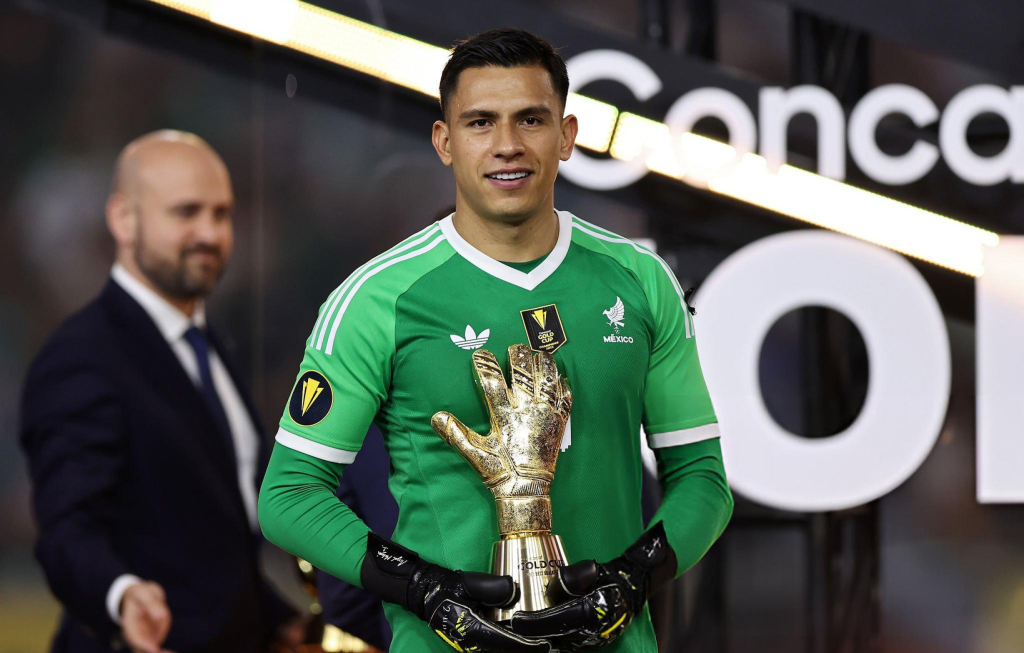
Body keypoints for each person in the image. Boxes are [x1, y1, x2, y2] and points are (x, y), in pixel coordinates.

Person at [259, 28, 733, 653]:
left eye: (530, 119)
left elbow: (702, 478)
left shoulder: (641, 281)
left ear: (567, 135)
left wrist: (633, 578)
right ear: (444, 141)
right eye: (480, 122)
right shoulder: (376, 298)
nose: (507, 144)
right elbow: (289, 495)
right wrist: (423, 588)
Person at [20, 130, 300, 653]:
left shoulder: (206, 344)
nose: (209, 233)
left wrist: (284, 625)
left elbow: (212, 548)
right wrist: (122, 596)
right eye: (186, 212)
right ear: (123, 219)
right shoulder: (81, 356)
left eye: (222, 214)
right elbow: (67, 530)